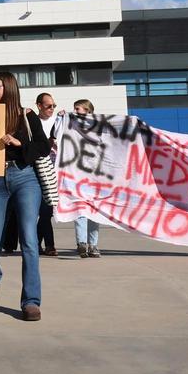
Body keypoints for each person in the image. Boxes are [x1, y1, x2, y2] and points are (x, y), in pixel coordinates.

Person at [0, 72, 49, 322]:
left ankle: (31, 301)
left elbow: (43, 145)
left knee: (29, 240)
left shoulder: (26, 115)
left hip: (25, 178)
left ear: (8, 87)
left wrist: (20, 145)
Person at [71, 99, 101, 258]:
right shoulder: (71, 125)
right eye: (74, 109)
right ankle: (82, 243)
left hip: (96, 176)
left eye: (78, 109)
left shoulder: (100, 127)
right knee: (80, 210)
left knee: (94, 212)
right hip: (77, 174)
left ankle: (93, 244)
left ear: (88, 111)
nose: (75, 111)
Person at [34, 93, 62, 257]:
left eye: (54, 106)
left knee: (46, 211)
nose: (52, 109)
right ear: (39, 106)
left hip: (53, 171)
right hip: (37, 169)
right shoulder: (33, 122)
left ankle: (42, 244)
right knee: (41, 211)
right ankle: (44, 244)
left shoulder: (58, 122)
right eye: (48, 106)